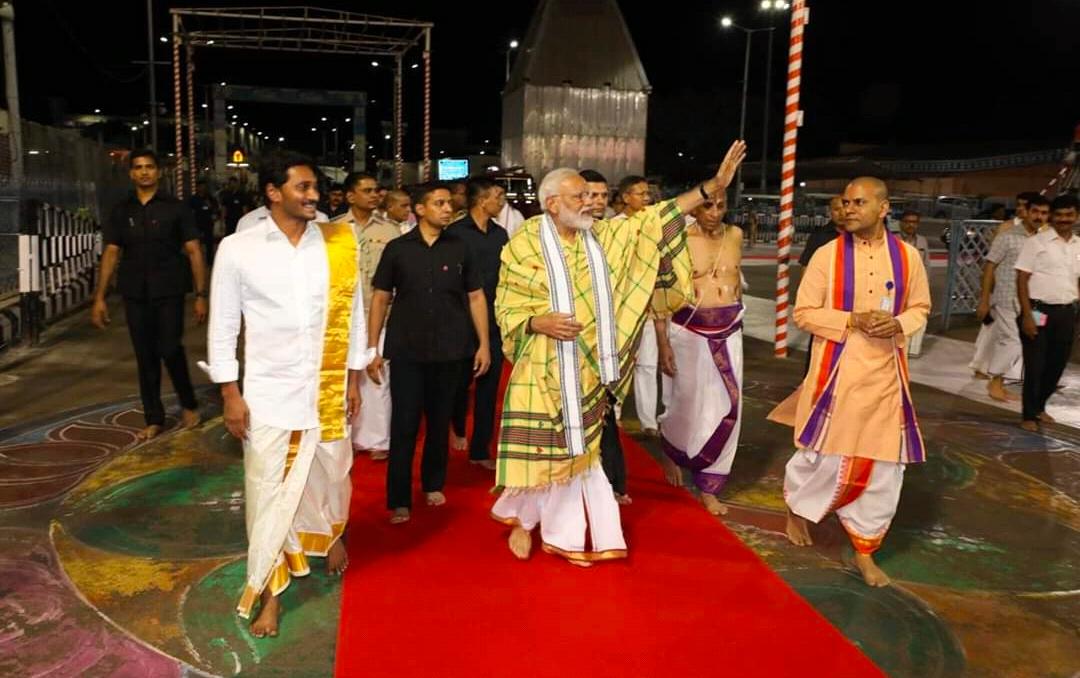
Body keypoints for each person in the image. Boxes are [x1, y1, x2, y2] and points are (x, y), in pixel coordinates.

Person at [491, 141, 747, 565]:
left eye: (594, 197)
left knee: (584, 453)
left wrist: (710, 187)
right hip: (542, 365)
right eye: (581, 197)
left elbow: (655, 220)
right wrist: (537, 322)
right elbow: (508, 303)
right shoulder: (524, 245)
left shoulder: (606, 238)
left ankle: (571, 534)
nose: (592, 203)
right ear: (553, 203)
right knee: (543, 449)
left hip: (592, 367)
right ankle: (524, 521)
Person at [203, 150, 371, 637]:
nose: (314, 195)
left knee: (334, 472)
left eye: (316, 186)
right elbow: (223, 328)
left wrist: (353, 378)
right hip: (269, 392)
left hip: (327, 386)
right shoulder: (239, 248)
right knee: (268, 494)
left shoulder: (338, 241)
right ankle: (271, 593)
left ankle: (329, 533)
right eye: (303, 188)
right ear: (274, 193)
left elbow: (354, 312)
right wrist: (230, 395)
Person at [770, 177, 931, 587]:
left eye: (860, 202)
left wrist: (897, 322)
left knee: (884, 466)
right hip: (836, 374)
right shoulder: (827, 255)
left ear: (884, 207)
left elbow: (920, 308)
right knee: (821, 457)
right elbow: (803, 312)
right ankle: (798, 508)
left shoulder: (909, 257)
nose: (850, 208)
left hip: (885, 377)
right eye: (846, 202)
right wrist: (851, 320)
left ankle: (864, 550)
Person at [368, 183, 491, 524]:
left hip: (452, 350)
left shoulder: (461, 248)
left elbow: (476, 297)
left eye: (449, 203)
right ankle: (399, 499)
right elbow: (380, 298)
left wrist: (483, 344)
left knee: (439, 424)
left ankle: (433, 483)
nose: (447, 209)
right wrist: (371, 347)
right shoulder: (397, 249)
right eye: (438, 203)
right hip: (407, 351)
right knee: (404, 424)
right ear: (419, 210)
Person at [92, 149, 205, 440]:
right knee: (145, 356)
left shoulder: (176, 208)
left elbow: (194, 251)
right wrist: (100, 297)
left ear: (159, 172)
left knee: (170, 348)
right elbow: (112, 252)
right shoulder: (121, 210)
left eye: (150, 167)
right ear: (131, 173)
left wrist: (201, 294)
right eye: (139, 167)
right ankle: (153, 418)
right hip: (134, 292)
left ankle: (188, 403)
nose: (144, 172)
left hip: (170, 290)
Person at [655, 190, 744, 516]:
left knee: (728, 404)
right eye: (708, 205)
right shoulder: (679, 239)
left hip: (730, 328)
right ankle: (673, 449)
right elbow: (661, 293)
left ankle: (710, 484)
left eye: (721, 205)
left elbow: (734, 282)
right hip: (688, 332)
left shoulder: (736, 235)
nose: (715, 212)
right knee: (685, 403)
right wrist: (663, 342)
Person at [332, 173, 402, 461]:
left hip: (378, 313)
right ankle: (343, 436)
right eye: (367, 190)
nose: (375, 195)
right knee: (341, 376)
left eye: (376, 191)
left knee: (376, 376)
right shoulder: (331, 229)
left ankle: (377, 440)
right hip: (341, 313)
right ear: (350, 196)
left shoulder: (390, 231)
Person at [448, 178, 509, 470]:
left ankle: (480, 449)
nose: (502, 201)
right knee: (458, 384)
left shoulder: (501, 235)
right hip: (460, 320)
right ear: (482, 200)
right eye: (498, 196)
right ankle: (456, 425)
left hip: (494, 320)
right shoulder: (455, 234)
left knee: (489, 387)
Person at [581, 169, 631, 505]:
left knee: (606, 413)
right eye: (591, 195)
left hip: (608, 338)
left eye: (603, 195)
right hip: (570, 336)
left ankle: (613, 482)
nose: (598, 201)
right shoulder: (555, 233)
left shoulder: (617, 233)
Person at [1014, 194, 1080, 432]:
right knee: (1035, 365)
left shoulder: (1078, 246)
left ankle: (1040, 406)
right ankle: (1029, 414)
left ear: (1076, 217)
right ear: (1052, 217)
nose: (1064, 219)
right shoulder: (1037, 243)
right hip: (1038, 311)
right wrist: (1027, 315)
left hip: (1066, 313)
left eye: (1069, 215)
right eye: (1059, 215)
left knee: (1057, 365)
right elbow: (1022, 278)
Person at [976, 195, 1049, 402]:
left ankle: (1007, 383)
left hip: (1034, 302)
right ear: (1026, 211)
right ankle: (995, 381)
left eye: (1044, 213)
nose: (1039, 217)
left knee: (1031, 339)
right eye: (1034, 211)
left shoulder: (1044, 239)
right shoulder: (1007, 236)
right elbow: (990, 266)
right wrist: (984, 300)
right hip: (1007, 298)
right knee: (1012, 342)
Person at [614, 175, 661, 437]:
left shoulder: (653, 225)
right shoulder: (614, 227)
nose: (646, 198)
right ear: (625, 197)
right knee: (619, 364)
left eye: (647, 193)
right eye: (640, 193)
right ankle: (615, 413)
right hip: (623, 308)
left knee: (648, 366)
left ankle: (649, 421)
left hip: (650, 307)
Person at [972, 192, 1037, 377]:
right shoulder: (1007, 229)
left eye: (1024, 205)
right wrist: (986, 295)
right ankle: (984, 369)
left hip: (1025, 295)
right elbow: (992, 263)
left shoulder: (1041, 232)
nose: (1020, 209)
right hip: (1003, 290)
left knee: (1008, 336)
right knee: (993, 332)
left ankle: (1004, 373)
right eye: (1019, 205)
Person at [897, 211, 931, 357]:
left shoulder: (922, 241)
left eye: (914, 222)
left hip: (916, 285)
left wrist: (926, 285)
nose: (911, 225)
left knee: (917, 316)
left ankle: (913, 350)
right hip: (897, 285)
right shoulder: (894, 239)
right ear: (901, 223)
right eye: (907, 221)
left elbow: (927, 264)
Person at [189, 179, 220, 267]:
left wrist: (214, 214)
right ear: (197, 188)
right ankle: (198, 260)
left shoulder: (210, 198)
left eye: (204, 187)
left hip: (208, 223)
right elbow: (189, 211)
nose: (202, 188)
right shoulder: (193, 199)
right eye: (200, 186)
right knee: (197, 244)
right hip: (197, 223)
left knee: (209, 243)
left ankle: (209, 261)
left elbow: (216, 209)